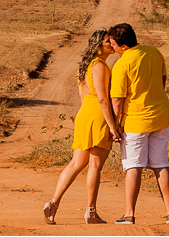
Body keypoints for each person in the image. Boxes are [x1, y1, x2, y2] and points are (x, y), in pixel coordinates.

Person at [43, 30, 121, 225]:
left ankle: (53, 203)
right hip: (98, 115)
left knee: (76, 163)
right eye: (108, 41)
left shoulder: (84, 66)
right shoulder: (99, 65)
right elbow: (103, 99)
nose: (112, 44)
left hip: (84, 113)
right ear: (98, 46)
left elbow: (81, 96)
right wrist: (112, 126)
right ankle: (91, 211)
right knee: (94, 165)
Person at [107, 22, 169, 225]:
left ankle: (129, 214)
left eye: (113, 44)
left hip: (135, 121)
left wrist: (114, 125)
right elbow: (163, 80)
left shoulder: (122, 64)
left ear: (123, 46)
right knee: (161, 165)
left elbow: (117, 100)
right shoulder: (154, 52)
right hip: (160, 117)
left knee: (133, 166)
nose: (112, 47)